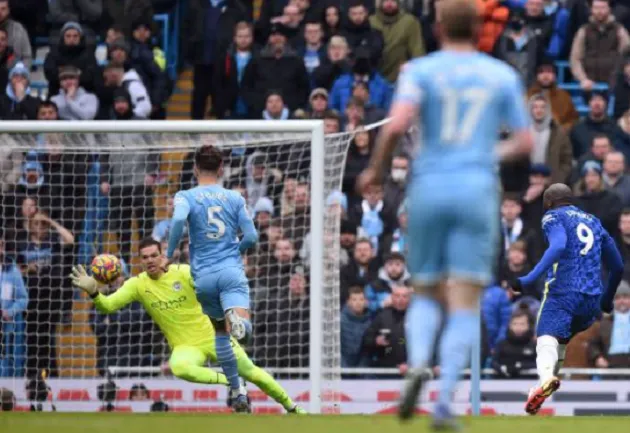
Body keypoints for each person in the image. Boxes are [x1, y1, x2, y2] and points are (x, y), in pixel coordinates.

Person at [357, 0, 533, 427]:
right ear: (479, 28)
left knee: (426, 289)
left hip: (430, 186)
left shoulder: (420, 71)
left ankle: (417, 363)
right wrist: (489, 151)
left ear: (436, 27)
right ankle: (444, 400)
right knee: (465, 298)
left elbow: (396, 124)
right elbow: (526, 141)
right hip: (475, 188)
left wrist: (375, 171)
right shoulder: (500, 74)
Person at [70, 237, 305, 414]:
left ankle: (293, 408)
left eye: (154, 255)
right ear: (140, 260)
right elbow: (107, 307)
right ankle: (232, 383)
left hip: (213, 335)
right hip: (184, 345)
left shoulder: (182, 272)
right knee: (179, 367)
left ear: (162, 256)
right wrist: (93, 293)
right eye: (145, 257)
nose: (150, 260)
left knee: (254, 372)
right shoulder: (136, 285)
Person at [509, 184, 624, 414]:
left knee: (545, 338)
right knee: (558, 341)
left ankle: (545, 380)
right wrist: (607, 299)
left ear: (549, 201)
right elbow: (618, 266)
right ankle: (544, 384)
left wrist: (528, 278)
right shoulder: (593, 221)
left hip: (563, 292)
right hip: (591, 299)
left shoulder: (552, 216)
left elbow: (559, 245)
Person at [166, 145, 258, 412]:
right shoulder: (235, 197)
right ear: (221, 169)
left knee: (220, 333)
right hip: (230, 270)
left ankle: (238, 391)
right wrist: (235, 250)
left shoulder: (185, 196)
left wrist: (169, 254)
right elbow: (251, 237)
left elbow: (177, 221)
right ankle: (239, 322)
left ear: (195, 168)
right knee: (244, 333)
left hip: (203, 276)